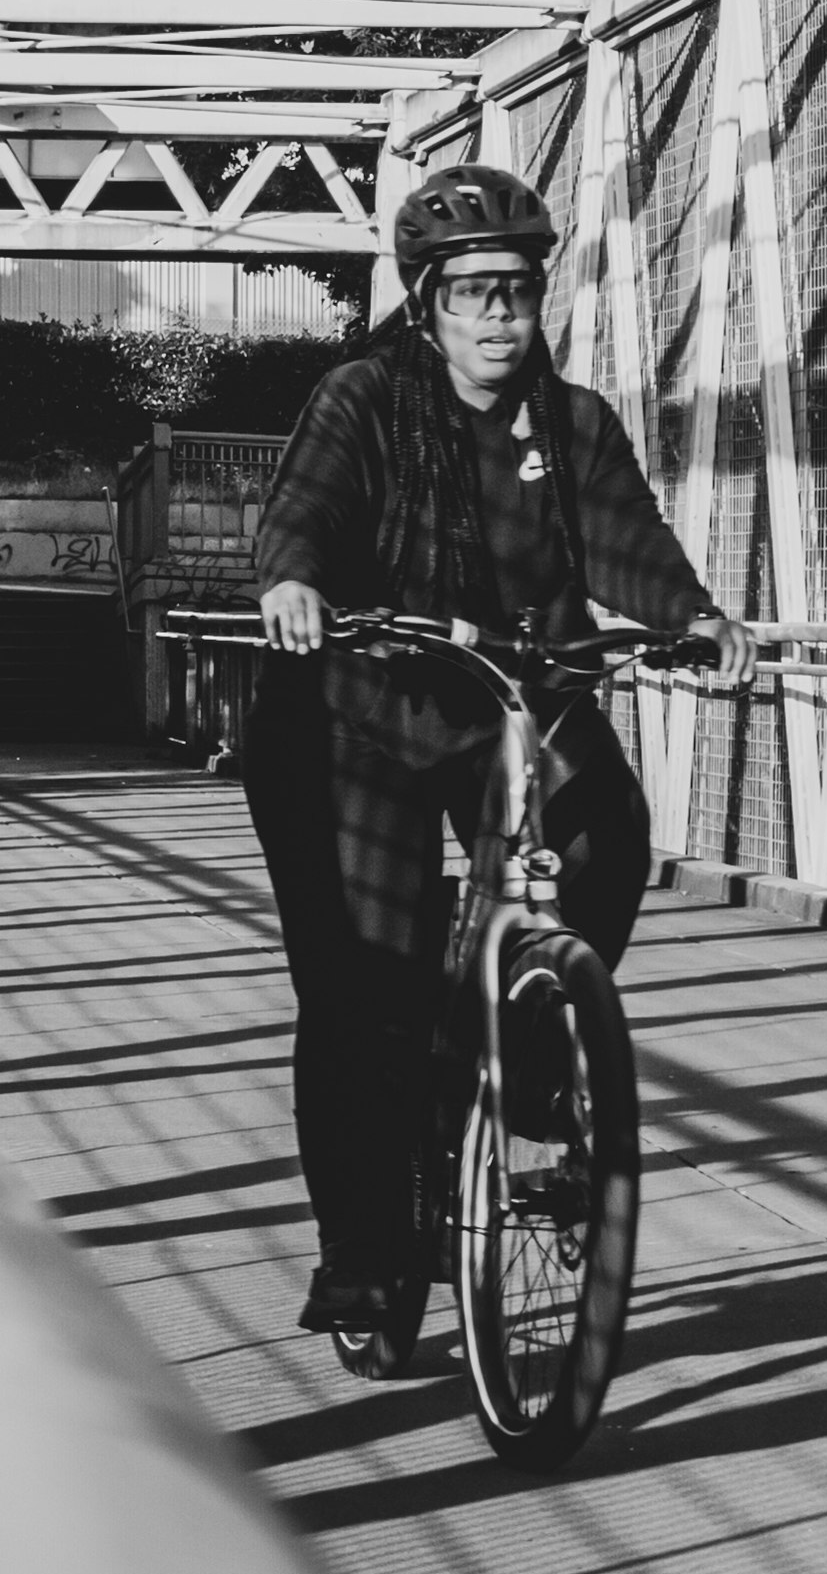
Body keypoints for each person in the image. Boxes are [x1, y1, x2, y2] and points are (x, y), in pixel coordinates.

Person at [244, 163, 751, 1336]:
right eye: (469, 292)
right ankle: (369, 1258)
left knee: (608, 836)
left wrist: (694, 617)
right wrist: (295, 583)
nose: (495, 316)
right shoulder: (364, 399)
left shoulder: (570, 425)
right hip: (351, 712)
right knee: (364, 990)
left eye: (515, 292)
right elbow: (305, 514)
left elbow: (629, 542)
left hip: (511, 699)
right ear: (425, 302)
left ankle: (525, 1050)